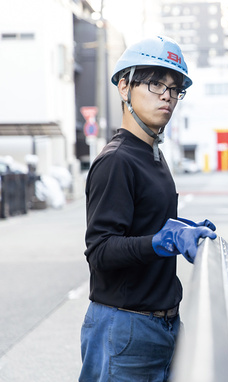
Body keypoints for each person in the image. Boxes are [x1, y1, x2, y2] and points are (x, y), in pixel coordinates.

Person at [79, 36, 217, 382]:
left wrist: (182, 228)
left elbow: (143, 222)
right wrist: (161, 241)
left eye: (174, 88)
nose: (167, 96)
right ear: (125, 86)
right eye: (156, 83)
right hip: (125, 329)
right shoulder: (116, 161)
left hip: (165, 326)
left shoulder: (154, 154)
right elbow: (101, 250)